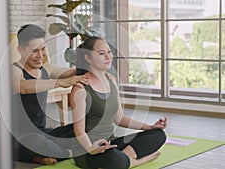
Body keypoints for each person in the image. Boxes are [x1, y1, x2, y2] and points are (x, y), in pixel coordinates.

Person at [69, 36, 167, 169]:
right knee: (114, 158)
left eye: (109, 52)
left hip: (111, 144)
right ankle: (137, 161)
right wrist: (91, 148)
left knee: (158, 135)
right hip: (88, 151)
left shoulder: (112, 81)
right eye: (101, 54)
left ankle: (123, 160)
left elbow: (119, 118)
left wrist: (149, 127)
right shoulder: (80, 89)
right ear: (88, 58)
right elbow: (79, 130)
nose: (108, 57)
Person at [11, 24, 88, 165]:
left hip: (43, 132)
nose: (41, 55)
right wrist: (59, 83)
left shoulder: (45, 68)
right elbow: (23, 87)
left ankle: (42, 154)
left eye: (43, 48)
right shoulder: (14, 70)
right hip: (17, 139)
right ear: (20, 50)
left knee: (82, 127)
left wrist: (91, 64)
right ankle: (68, 153)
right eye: (35, 51)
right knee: (36, 141)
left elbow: (70, 72)